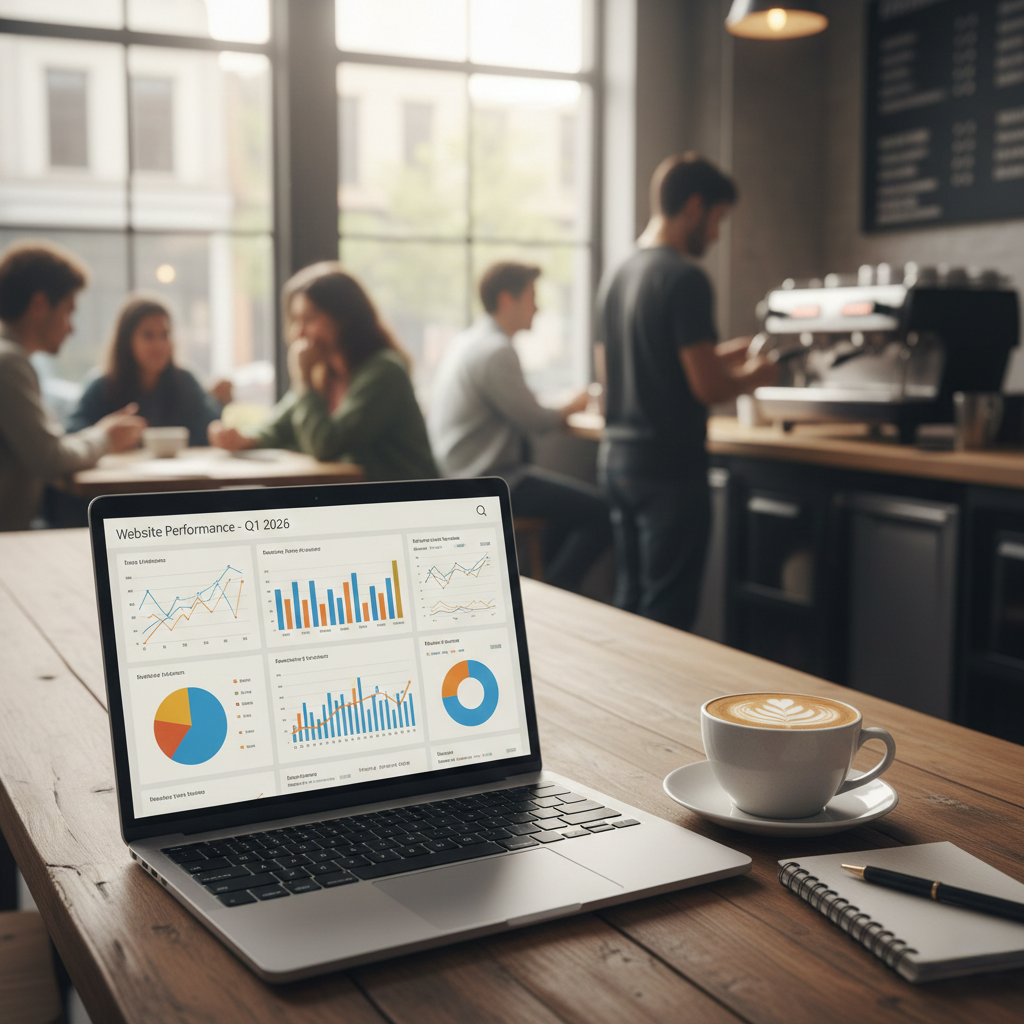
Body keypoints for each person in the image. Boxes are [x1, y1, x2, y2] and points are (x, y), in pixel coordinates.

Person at [597, 153, 778, 629]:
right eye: (718, 219)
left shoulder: (617, 275)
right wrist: (758, 374)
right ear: (695, 207)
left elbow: (619, 370)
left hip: (617, 462)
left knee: (630, 601)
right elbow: (708, 387)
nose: (717, 234)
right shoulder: (685, 279)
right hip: (670, 471)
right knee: (667, 617)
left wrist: (718, 354)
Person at [429, 261, 611, 592]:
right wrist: (573, 404)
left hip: (460, 475)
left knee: (565, 509)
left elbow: (519, 406)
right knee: (601, 512)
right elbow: (537, 420)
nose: (537, 307)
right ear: (505, 300)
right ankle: (557, 588)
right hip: (490, 480)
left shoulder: (470, 342)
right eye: (531, 296)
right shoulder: (495, 350)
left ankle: (543, 587)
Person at [209, 262, 437, 481]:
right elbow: (279, 427)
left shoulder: (384, 371)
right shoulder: (327, 373)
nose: (298, 333)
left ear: (345, 318)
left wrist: (304, 381)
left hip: (406, 504)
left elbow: (326, 445)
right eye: (294, 320)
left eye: (309, 319)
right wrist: (243, 439)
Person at [0, 241, 145, 532]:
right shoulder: (8, 362)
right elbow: (51, 458)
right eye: (68, 310)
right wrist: (106, 437)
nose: (71, 327)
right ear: (40, 305)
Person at [67, 296, 229, 447]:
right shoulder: (102, 386)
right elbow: (71, 434)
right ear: (126, 341)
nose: (159, 345)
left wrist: (221, 403)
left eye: (165, 335)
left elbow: (213, 427)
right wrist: (103, 434)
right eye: (148, 335)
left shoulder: (185, 381)